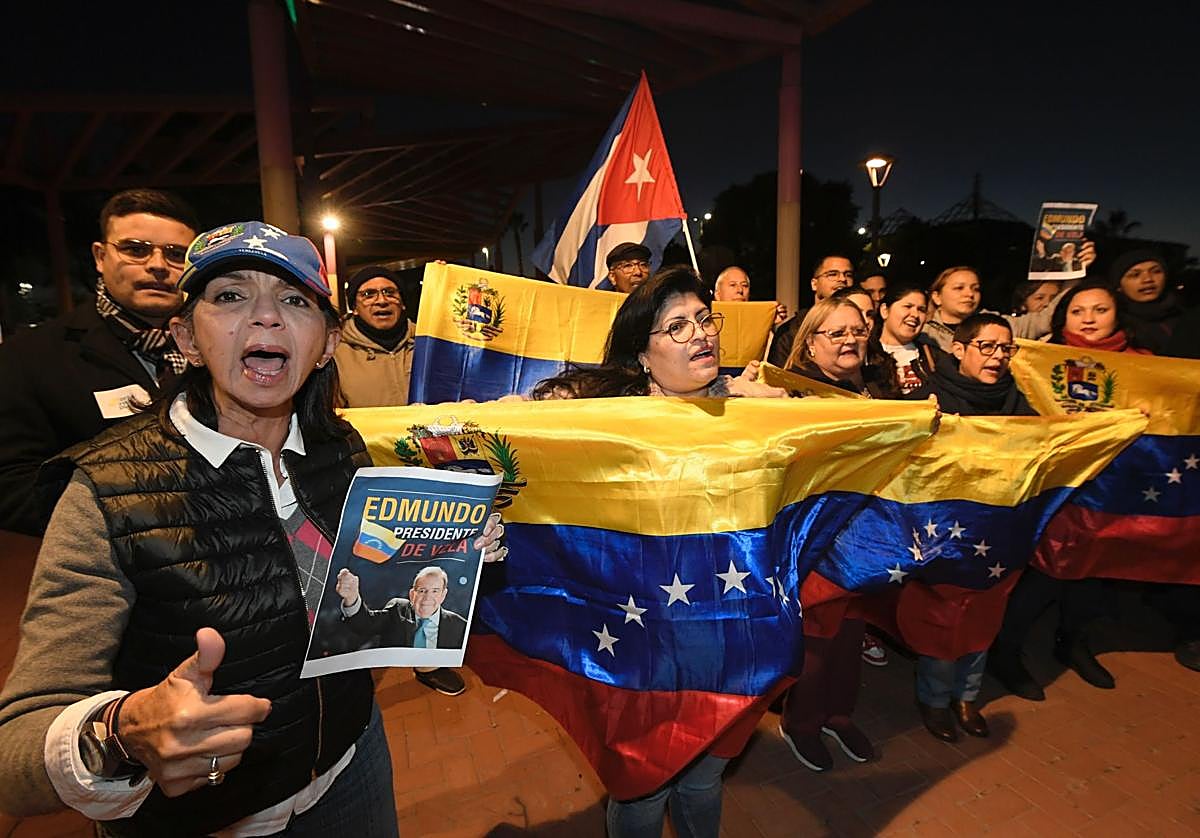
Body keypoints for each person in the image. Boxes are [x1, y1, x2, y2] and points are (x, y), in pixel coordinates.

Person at [0, 220, 503, 836]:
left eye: (294, 301)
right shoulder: (105, 490)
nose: (266, 319)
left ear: (325, 344)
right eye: (230, 296)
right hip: (207, 818)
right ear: (186, 335)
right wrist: (123, 734)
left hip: (352, 760)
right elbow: (15, 755)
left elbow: (365, 587)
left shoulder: (339, 447)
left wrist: (451, 556)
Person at [532, 265, 784, 838]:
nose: (700, 334)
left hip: (724, 628)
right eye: (676, 326)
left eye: (703, 319)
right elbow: (510, 431)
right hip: (639, 635)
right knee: (644, 782)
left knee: (702, 778)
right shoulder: (600, 417)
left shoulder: (757, 413)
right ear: (643, 355)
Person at [0, 189, 198, 535]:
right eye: (135, 250)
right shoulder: (29, 357)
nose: (157, 265)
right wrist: (141, 511)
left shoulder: (218, 348)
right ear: (100, 256)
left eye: (175, 254)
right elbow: (11, 488)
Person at [917, 313, 1036, 742]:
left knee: (986, 611)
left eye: (1006, 349)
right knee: (945, 615)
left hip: (1001, 527)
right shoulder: (933, 398)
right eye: (986, 346)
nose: (997, 357)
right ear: (959, 349)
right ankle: (934, 699)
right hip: (948, 529)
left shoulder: (1020, 399)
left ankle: (967, 697)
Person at [920, 264, 1080, 354]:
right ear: (936, 297)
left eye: (975, 289)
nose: (969, 294)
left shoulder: (998, 324)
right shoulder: (923, 333)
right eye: (959, 288)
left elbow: (1044, 319)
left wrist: (1075, 271)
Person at [782, 296, 900, 399]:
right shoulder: (795, 391)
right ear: (810, 342)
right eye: (837, 334)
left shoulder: (883, 379)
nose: (851, 340)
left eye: (859, 331)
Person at [334, 266, 416, 407]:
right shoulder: (336, 354)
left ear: (402, 304)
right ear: (354, 308)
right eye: (368, 294)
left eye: (390, 293)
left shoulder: (427, 344)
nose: (382, 301)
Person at [336, 566, 468, 649]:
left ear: (443, 595)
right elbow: (364, 625)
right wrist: (351, 597)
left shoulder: (460, 626)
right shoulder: (397, 610)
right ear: (412, 594)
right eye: (422, 590)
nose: (427, 597)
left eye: (435, 591)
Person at [768, 254, 856, 367]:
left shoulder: (863, 324)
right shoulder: (792, 330)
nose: (842, 279)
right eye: (833, 274)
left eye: (848, 275)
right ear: (814, 284)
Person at [1108, 249, 1181, 356]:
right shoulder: (1114, 324)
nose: (1147, 279)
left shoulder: (1185, 317)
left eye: (1156, 271)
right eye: (1135, 275)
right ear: (1119, 286)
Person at [876, 284, 934, 396]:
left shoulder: (931, 356)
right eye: (908, 306)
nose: (915, 315)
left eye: (921, 310)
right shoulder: (866, 354)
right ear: (885, 311)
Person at [714, 265, 788, 327]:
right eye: (733, 285)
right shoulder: (709, 324)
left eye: (744, 285)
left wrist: (770, 324)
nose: (740, 290)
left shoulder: (759, 323)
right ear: (717, 295)